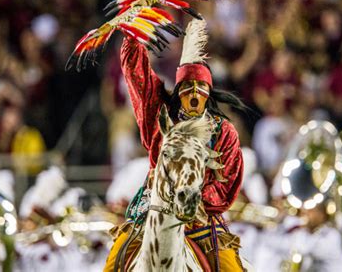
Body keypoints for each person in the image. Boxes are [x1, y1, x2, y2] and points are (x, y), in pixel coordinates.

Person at [104, 18, 247, 272]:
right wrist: (135, 28)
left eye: (201, 87)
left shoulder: (223, 131)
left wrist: (193, 197)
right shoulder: (159, 115)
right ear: (178, 90)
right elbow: (137, 75)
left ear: (209, 91)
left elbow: (227, 183)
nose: (194, 94)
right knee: (113, 262)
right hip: (153, 209)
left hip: (201, 219)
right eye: (187, 87)